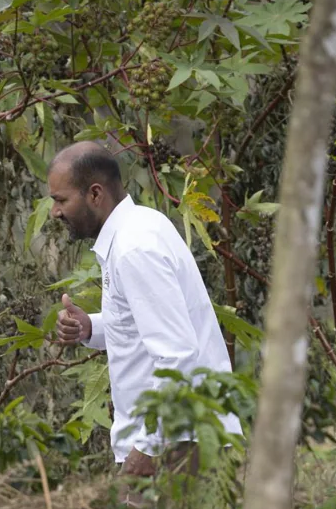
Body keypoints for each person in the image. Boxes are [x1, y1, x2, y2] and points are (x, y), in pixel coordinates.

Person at [48, 141, 242, 481]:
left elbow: (177, 355)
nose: (55, 212)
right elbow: (145, 327)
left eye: (61, 200)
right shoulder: (137, 229)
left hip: (179, 445)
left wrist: (148, 445)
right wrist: (89, 328)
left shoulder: (134, 247)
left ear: (95, 194)